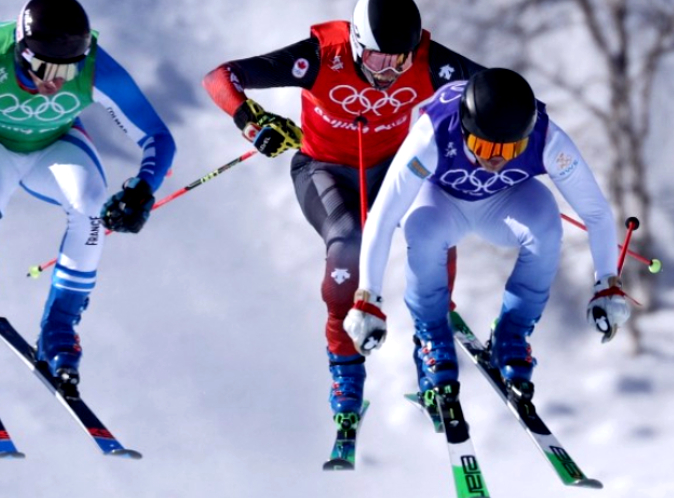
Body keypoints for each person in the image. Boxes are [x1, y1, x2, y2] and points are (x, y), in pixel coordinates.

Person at [201, 0, 484, 429]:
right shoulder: (320, 56)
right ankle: (346, 374)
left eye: (399, 60)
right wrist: (252, 122)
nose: (388, 72)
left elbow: (501, 91)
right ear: (354, 44)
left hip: (392, 169)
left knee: (435, 226)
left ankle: (432, 343)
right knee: (348, 242)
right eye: (376, 58)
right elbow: (220, 77)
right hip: (324, 170)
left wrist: (494, 133)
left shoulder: (431, 62)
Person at [0, 0, 175, 392]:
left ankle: (59, 329)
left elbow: (158, 137)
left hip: (54, 141)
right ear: (22, 54)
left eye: (68, 68)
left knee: (92, 203)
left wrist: (144, 188)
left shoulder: (95, 65)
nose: (57, 82)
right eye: (47, 69)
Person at [343, 68, 632, 406]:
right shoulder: (431, 134)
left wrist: (606, 284)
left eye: (511, 150)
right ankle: (432, 335)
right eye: (484, 145)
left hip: (504, 204)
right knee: (421, 228)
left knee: (546, 224)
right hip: (442, 202)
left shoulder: (547, 139)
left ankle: (512, 334)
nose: (496, 159)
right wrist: (368, 298)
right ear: (466, 130)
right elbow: (383, 214)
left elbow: (595, 211)